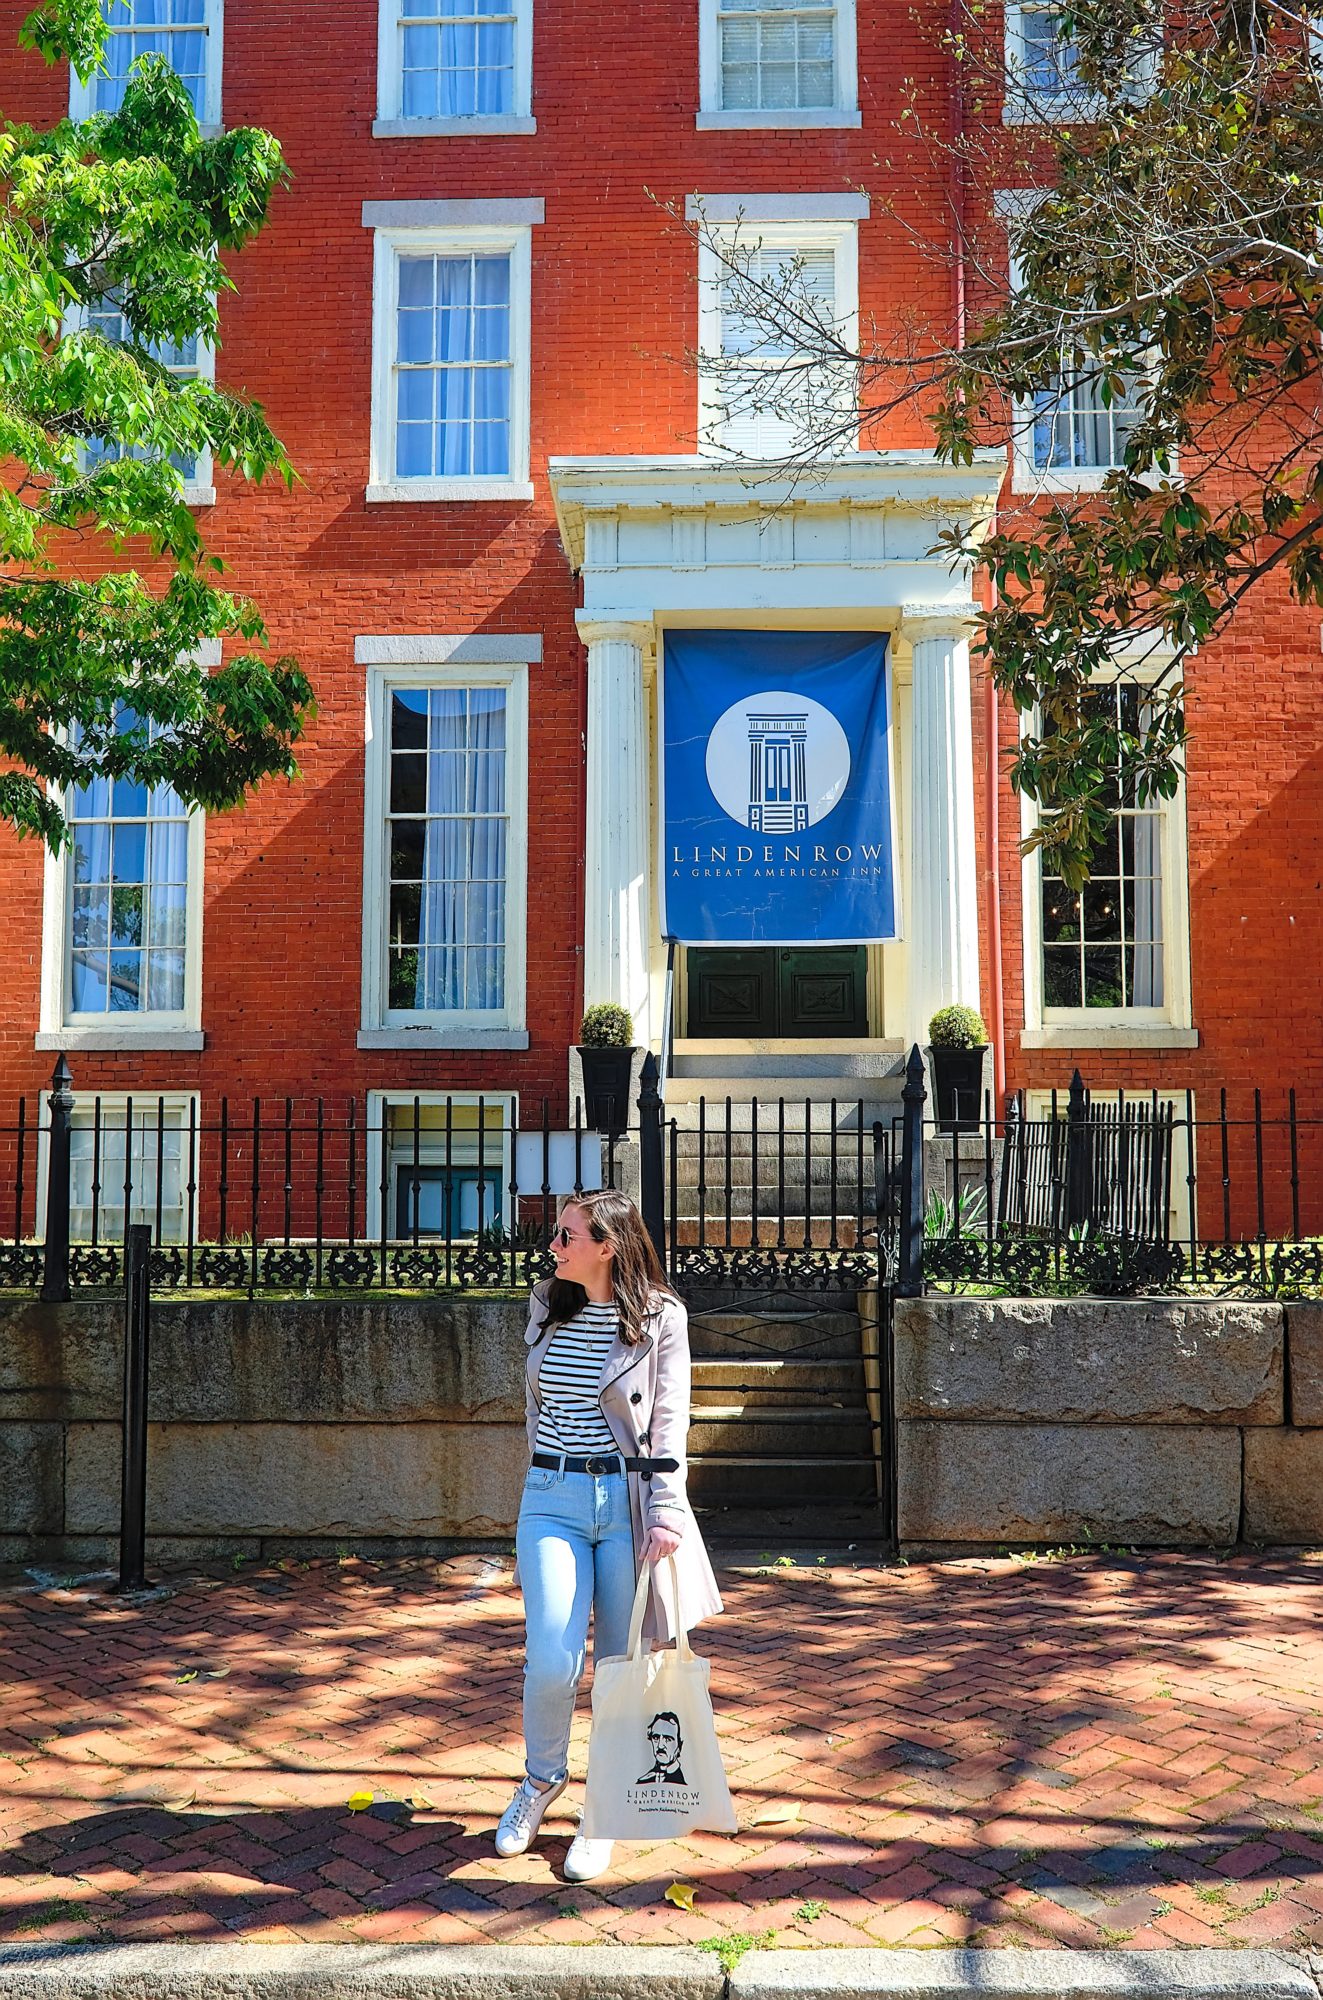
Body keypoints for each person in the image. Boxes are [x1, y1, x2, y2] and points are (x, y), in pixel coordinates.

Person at [494, 1187, 723, 1882]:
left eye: (566, 1236)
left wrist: (664, 1509)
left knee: (622, 1673)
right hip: (551, 1497)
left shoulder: (661, 1319)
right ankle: (540, 1782)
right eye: (556, 1235)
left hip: (623, 1502)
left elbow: (668, 1423)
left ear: (607, 1246)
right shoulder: (546, 1305)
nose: (553, 1247)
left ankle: (604, 1810)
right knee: (553, 1660)